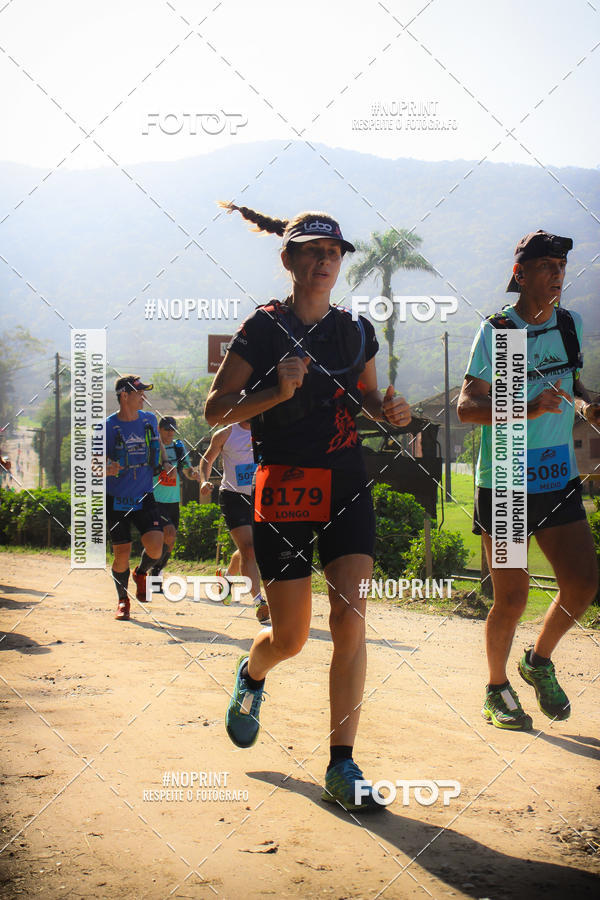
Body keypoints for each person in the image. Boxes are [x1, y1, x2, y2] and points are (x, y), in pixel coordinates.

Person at [205, 204, 411, 810]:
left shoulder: (355, 330)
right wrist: (275, 390)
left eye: (333, 252)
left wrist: (390, 413)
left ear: (341, 262)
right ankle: (254, 674)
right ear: (289, 259)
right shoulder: (262, 329)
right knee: (291, 638)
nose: (324, 261)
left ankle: (342, 764)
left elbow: (370, 397)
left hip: (346, 481)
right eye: (312, 251)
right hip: (285, 486)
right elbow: (217, 410)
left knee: (350, 618)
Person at [457, 230, 600, 730]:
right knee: (513, 597)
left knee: (582, 584)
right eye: (546, 266)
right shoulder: (500, 331)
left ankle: (537, 661)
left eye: (561, 266)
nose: (557, 274)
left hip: (557, 474)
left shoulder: (569, 324)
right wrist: (523, 406)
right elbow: (467, 408)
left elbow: (573, 382)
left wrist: (587, 405)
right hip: (509, 477)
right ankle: (496, 688)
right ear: (520, 274)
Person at [106, 375, 165, 620]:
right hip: (116, 499)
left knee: (156, 546)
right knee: (121, 554)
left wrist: (166, 462)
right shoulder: (107, 426)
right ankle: (122, 600)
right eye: (139, 392)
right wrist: (107, 466)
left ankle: (141, 573)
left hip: (143, 495)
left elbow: (158, 446)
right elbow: (90, 462)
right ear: (124, 395)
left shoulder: (149, 419)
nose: (144, 397)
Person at [198, 421, 269, 623]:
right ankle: (259, 602)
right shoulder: (225, 434)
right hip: (233, 496)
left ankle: (227, 577)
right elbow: (206, 459)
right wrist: (204, 480)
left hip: (261, 497)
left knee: (252, 547)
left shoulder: (265, 429)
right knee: (248, 548)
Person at [151, 416, 200, 591]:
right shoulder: (154, 447)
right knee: (168, 533)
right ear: (159, 429)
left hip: (173, 500)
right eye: (166, 429)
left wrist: (193, 474)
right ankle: (152, 572)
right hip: (156, 499)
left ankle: (155, 570)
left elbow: (186, 470)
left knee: (170, 542)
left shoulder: (179, 447)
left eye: (172, 429)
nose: (170, 433)